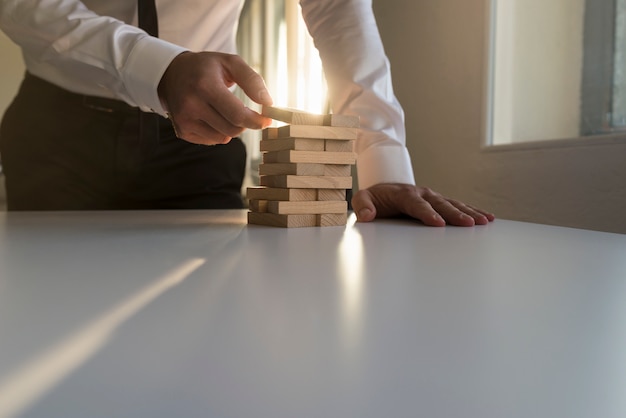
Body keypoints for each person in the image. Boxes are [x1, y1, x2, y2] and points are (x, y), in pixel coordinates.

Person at [0, 0, 494, 226]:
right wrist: (157, 67)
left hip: (202, 141)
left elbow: (338, 8)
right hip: (56, 131)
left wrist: (382, 158)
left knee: (206, 326)